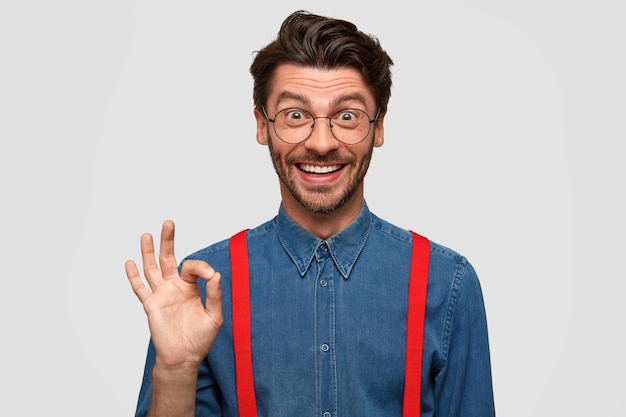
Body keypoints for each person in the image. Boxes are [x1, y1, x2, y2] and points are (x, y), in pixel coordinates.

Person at [125, 10, 495, 417]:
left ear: (379, 127)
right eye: (295, 115)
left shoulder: (448, 284)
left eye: (347, 116)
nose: (321, 143)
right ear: (262, 125)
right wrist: (175, 370)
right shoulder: (203, 285)